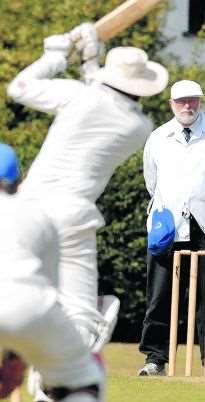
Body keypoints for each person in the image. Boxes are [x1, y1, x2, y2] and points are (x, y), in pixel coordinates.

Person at [7, 23, 168, 351]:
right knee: (77, 312)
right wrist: (90, 60)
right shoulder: (140, 126)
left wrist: (55, 56)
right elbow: (103, 92)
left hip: (29, 208)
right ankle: (78, 341)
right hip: (74, 215)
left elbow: (19, 88)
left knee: (15, 288)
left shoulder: (79, 96)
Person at [138, 80, 205, 377]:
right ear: (171, 104)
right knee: (160, 295)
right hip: (167, 226)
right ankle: (155, 358)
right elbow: (151, 183)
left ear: (200, 101)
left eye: (193, 100)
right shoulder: (158, 138)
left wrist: (204, 200)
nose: (187, 106)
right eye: (181, 101)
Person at [0, 143, 104, 402]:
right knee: (84, 378)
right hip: (29, 305)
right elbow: (49, 287)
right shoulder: (36, 214)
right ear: (17, 182)